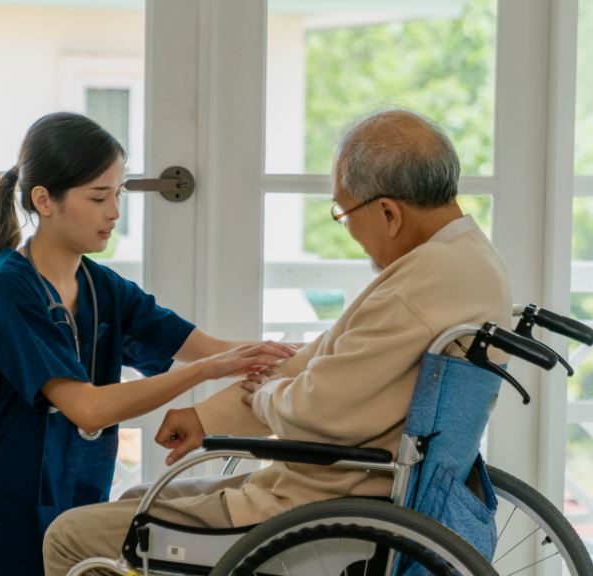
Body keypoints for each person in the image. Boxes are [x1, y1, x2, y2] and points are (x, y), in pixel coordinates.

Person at [40, 109, 513, 575]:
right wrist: (207, 418)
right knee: (134, 500)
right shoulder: (464, 262)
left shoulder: (417, 286)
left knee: (69, 536)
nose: (346, 227)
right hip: (339, 485)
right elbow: (311, 362)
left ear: (388, 213)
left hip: (315, 505)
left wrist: (258, 394)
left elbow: (315, 405)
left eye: (342, 212)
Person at [0, 112, 295, 576]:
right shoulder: (2, 289)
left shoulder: (103, 288)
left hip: (55, 515)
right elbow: (88, 408)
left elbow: (213, 348)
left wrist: (320, 352)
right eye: (99, 196)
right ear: (44, 200)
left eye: (118, 194)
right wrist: (210, 369)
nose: (115, 212)